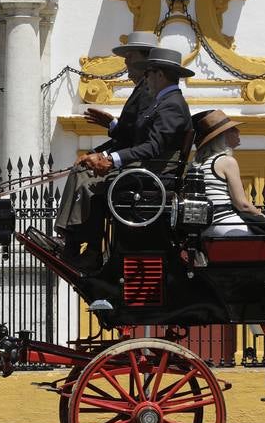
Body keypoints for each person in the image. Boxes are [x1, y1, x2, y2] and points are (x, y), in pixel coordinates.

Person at [70, 46, 193, 271]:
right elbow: (139, 136)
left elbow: (153, 147)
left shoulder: (172, 105)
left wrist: (112, 159)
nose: (146, 78)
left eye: (149, 73)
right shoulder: (164, 102)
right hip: (146, 169)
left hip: (153, 175)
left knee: (92, 186)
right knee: (87, 176)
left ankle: (87, 249)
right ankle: (80, 244)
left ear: (160, 75)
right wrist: (107, 152)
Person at [55, 31, 158, 264]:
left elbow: (137, 139)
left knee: (86, 180)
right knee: (81, 168)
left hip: (137, 165)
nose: (125, 62)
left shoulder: (148, 92)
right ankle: (70, 238)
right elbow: (129, 133)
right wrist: (98, 150)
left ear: (144, 60)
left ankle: (82, 244)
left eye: (129, 56)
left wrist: (106, 154)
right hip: (129, 156)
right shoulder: (142, 90)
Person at [191, 109, 265, 266]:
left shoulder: (197, 164)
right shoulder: (226, 161)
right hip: (226, 225)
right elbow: (242, 204)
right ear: (223, 136)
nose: (238, 131)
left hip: (207, 228)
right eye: (232, 129)